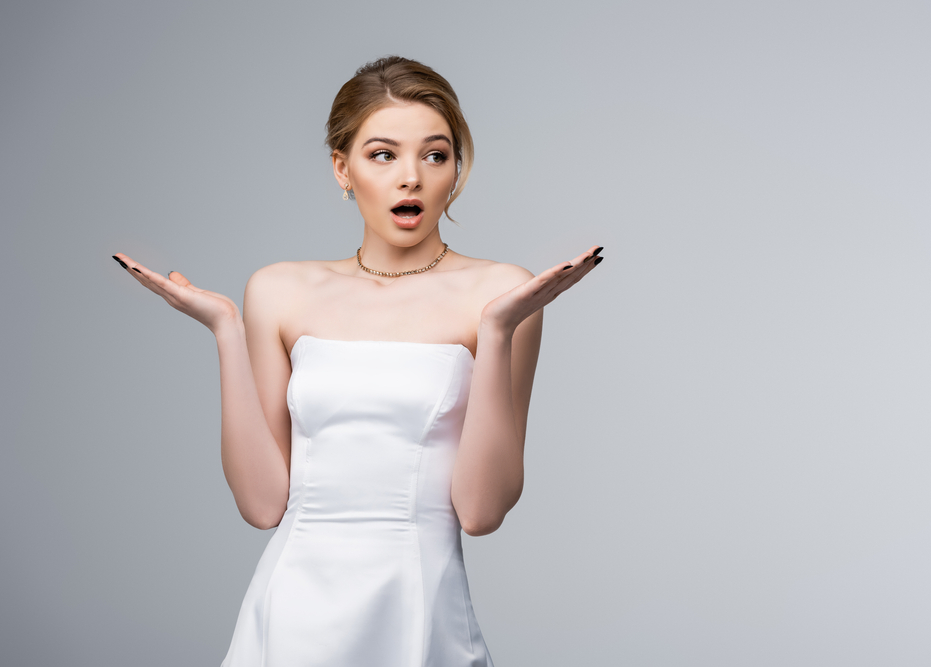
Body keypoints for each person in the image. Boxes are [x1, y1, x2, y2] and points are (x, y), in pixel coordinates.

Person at [112, 55, 602, 666]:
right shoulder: (278, 290)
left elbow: (481, 511)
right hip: (293, 611)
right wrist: (226, 332)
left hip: (419, 605)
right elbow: (263, 505)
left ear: (455, 169)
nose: (411, 178)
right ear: (342, 169)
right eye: (382, 154)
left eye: (434, 154)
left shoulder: (501, 293)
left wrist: (498, 330)